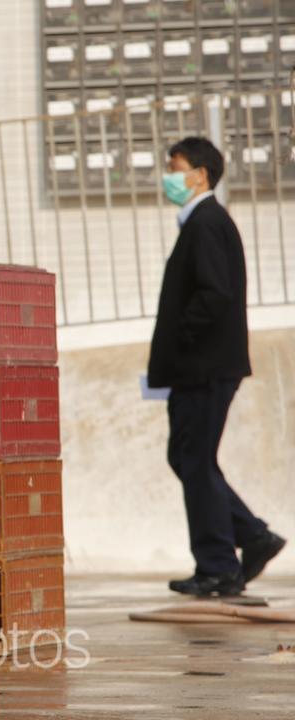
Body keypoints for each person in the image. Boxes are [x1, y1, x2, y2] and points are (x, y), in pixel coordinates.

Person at [148, 137, 285, 597]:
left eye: (175, 166)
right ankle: (251, 537)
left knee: (195, 461)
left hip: (204, 368)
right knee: (189, 458)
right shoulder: (201, 222)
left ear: (200, 174)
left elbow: (213, 294)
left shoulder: (205, 223)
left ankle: (219, 565)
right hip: (199, 367)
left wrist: (183, 343)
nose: (168, 175)